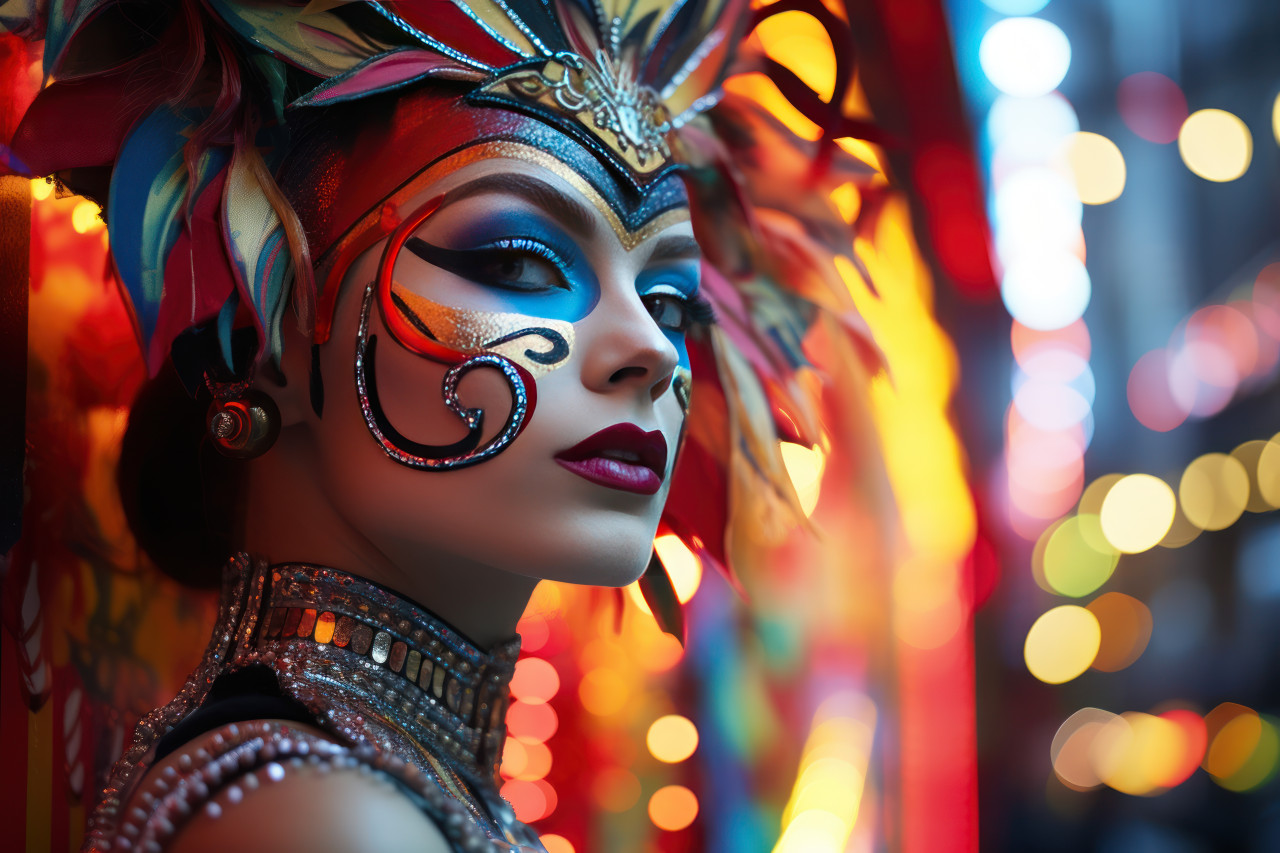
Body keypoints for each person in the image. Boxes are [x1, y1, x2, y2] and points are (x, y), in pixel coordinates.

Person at [2, 1, 880, 850]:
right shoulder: (321, 821)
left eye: (671, 302)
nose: (650, 348)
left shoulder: (376, 793)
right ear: (270, 331)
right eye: (517, 262)